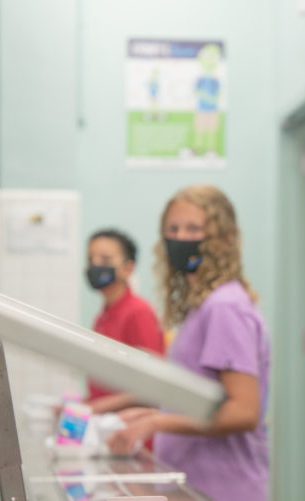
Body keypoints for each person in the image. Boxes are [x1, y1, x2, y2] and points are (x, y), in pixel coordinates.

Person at [106, 185, 270, 501]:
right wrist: (146, 414)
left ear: (225, 238)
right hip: (193, 484)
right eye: (173, 229)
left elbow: (243, 412)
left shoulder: (225, 307)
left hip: (222, 488)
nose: (181, 238)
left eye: (194, 229)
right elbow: (202, 398)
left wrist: (156, 422)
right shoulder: (203, 307)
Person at [85, 229, 165, 414]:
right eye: (91, 259)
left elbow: (154, 385)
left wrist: (93, 408)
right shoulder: (104, 315)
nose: (95, 265)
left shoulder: (139, 312)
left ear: (128, 268)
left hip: (134, 432)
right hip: (107, 425)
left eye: (104, 259)